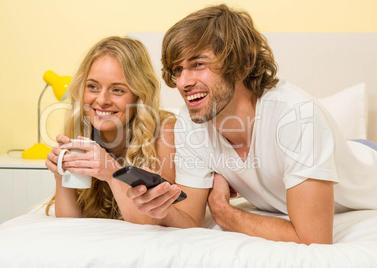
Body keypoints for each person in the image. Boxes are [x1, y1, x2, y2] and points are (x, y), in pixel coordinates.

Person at [127, 4, 377, 244]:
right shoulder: (191, 122)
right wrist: (160, 209)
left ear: (242, 63)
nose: (183, 83)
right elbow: (190, 219)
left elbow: (313, 239)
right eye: (178, 69)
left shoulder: (297, 115)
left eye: (198, 64)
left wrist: (224, 212)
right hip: (341, 150)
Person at [45, 36, 177, 223]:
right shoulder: (82, 130)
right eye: (93, 87)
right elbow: (69, 223)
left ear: (138, 95)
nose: (102, 100)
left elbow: (153, 222)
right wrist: (61, 177)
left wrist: (112, 173)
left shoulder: (164, 132)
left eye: (117, 90)